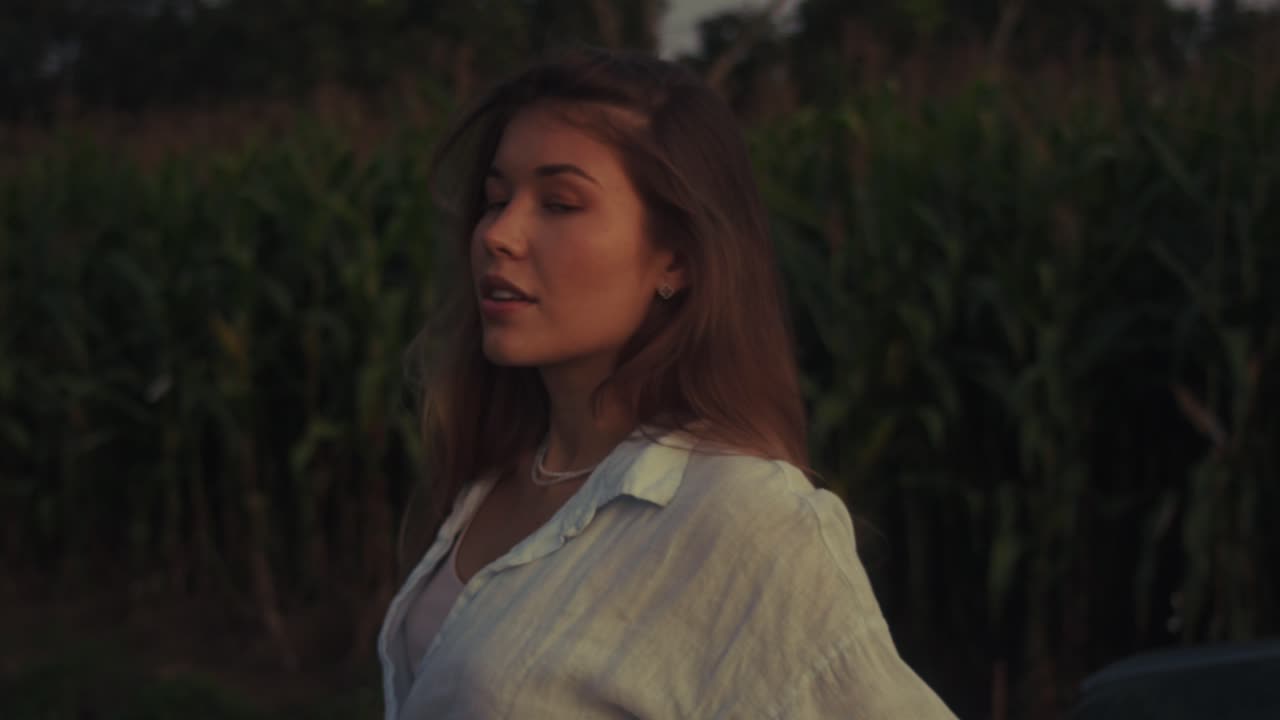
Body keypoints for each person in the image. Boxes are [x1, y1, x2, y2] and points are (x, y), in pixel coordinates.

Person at [378, 47, 958, 719]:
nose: (499, 235)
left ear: (676, 260)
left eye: (560, 204)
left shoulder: (744, 518)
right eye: (495, 199)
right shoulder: (494, 476)